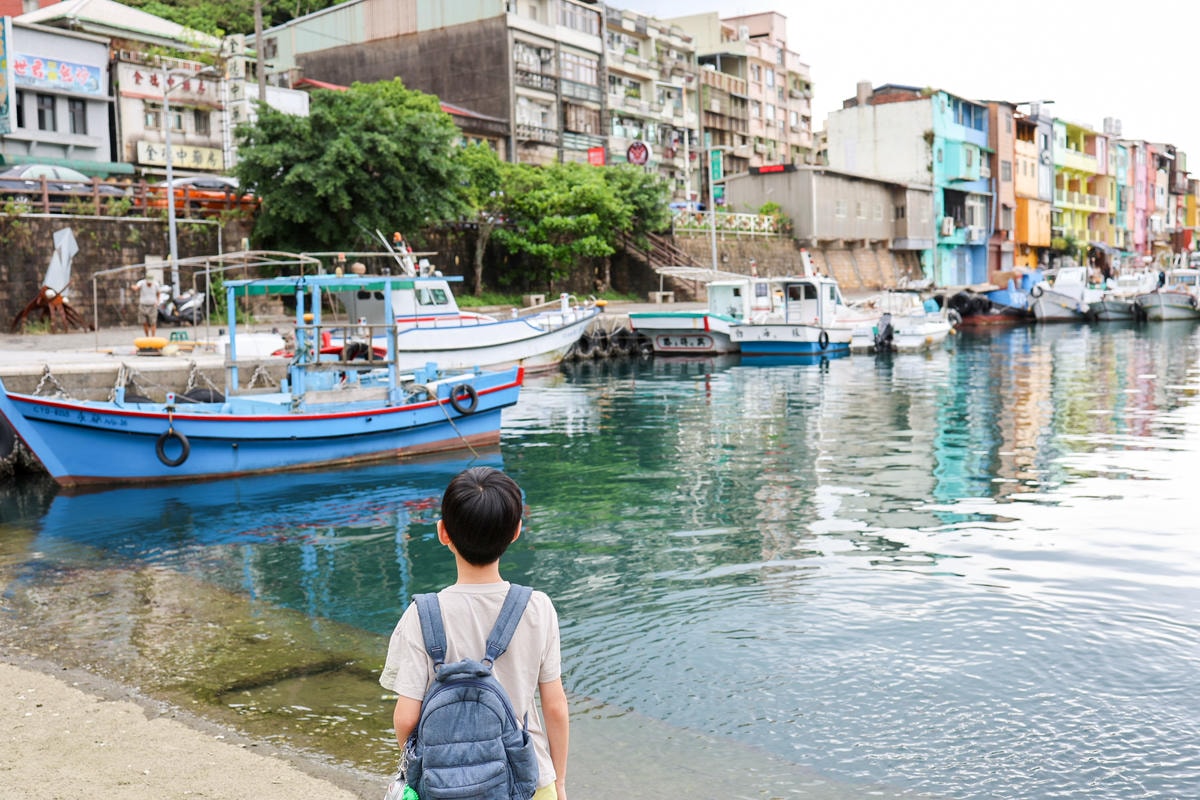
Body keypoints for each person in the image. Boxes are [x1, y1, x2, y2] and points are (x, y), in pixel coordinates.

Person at [380, 467, 569, 800]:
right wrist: (560, 782)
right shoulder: (538, 607)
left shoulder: (422, 615)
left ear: (443, 533)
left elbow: (406, 718)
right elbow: (554, 707)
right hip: (530, 780)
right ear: (516, 531)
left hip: (445, 787)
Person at [132, 272, 160, 337]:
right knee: (144, 322)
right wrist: (134, 287)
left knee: (153, 322)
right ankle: (147, 336)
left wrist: (157, 302)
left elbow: (158, 293)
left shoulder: (156, 284)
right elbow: (137, 287)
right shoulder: (142, 283)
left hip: (152, 305)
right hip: (143, 305)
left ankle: (153, 337)